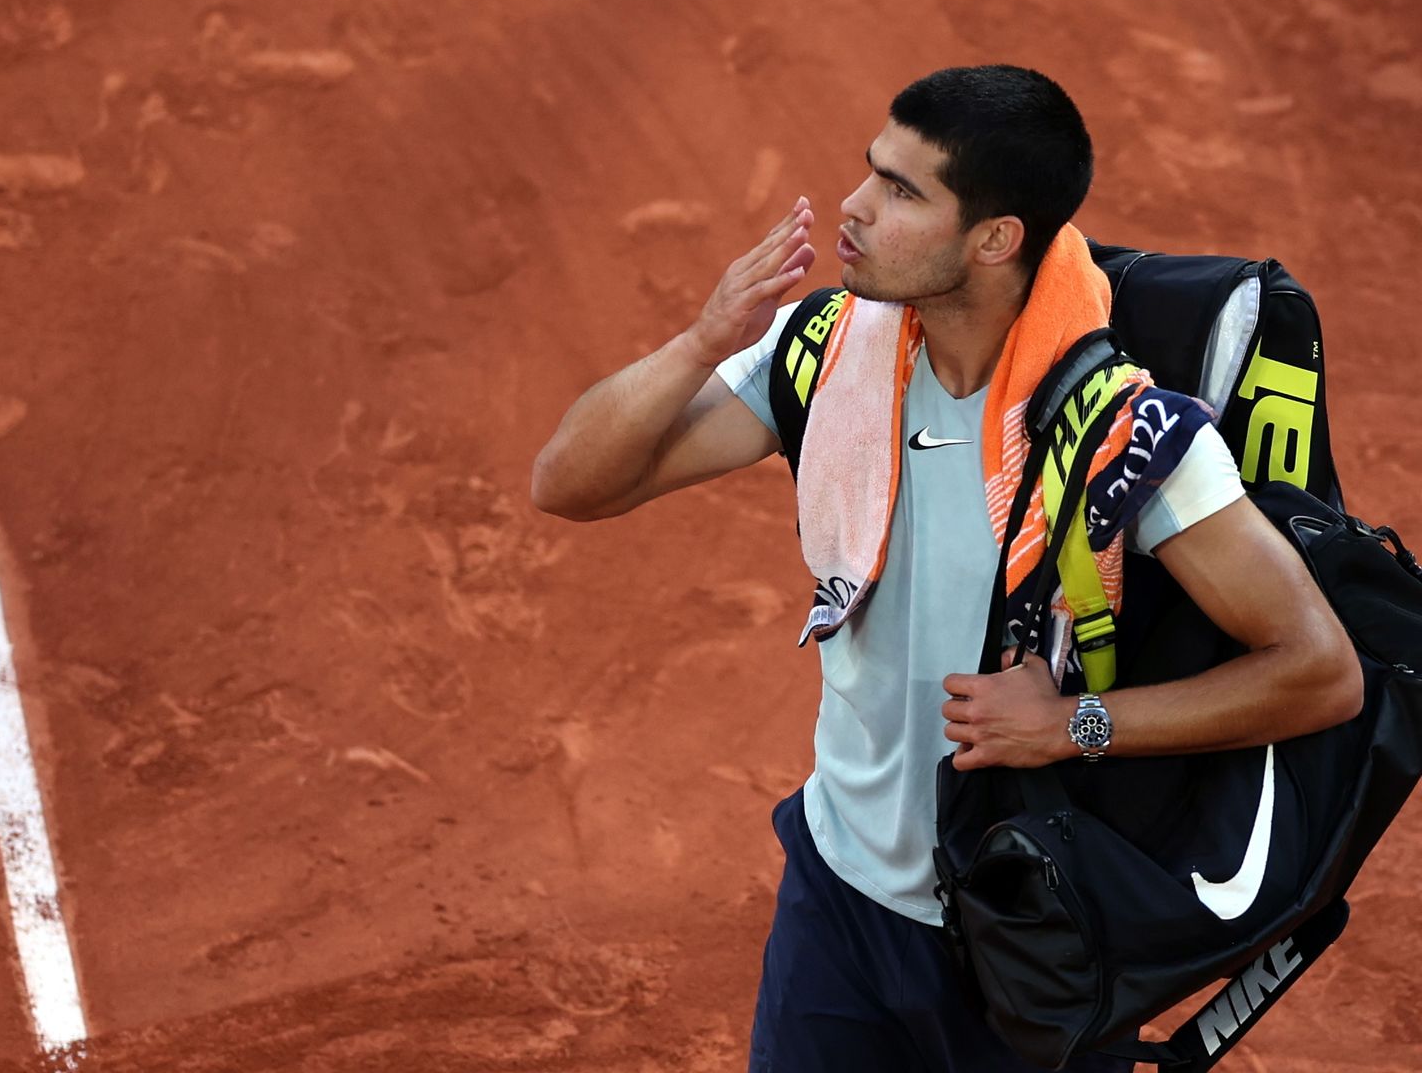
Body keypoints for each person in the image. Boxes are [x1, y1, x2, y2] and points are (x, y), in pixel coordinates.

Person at [530, 65, 1361, 1073]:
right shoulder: (826, 354)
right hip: (836, 907)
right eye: (871, 173)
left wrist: (1072, 726)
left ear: (994, 239)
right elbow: (571, 484)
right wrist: (706, 340)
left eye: (901, 191)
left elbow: (1320, 671)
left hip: (1028, 939)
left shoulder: (1124, 436)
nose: (854, 207)